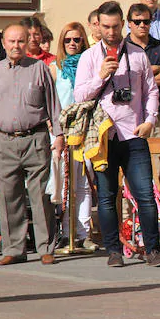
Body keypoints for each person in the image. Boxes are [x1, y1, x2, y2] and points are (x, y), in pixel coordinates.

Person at [74, 1, 160, 268]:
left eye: (116, 26)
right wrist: (100, 76)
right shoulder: (89, 57)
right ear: (97, 26)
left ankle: (153, 250)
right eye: (106, 26)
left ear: (123, 25)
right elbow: (80, 96)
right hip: (103, 137)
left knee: (146, 195)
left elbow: (151, 91)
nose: (111, 32)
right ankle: (113, 251)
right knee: (106, 196)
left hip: (134, 134)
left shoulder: (138, 55)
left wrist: (150, 119)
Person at [0, 24, 65, 267]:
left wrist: (58, 135)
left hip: (35, 139)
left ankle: (46, 248)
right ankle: (14, 249)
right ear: (3, 43)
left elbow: (53, 104)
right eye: (11, 41)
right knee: (8, 197)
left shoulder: (39, 69)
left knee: (40, 196)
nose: (16, 46)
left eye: (20, 41)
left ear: (27, 43)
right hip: (4, 141)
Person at [49, 22, 95, 250]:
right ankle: (67, 232)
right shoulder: (54, 67)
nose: (73, 44)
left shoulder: (90, 65)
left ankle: (84, 233)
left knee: (84, 182)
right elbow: (51, 100)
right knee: (65, 182)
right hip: (63, 129)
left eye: (77, 39)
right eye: (68, 40)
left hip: (86, 127)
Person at [126, 3, 160, 140]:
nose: (142, 25)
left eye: (146, 21)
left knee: (158, 158)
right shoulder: (122, 48)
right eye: (137, 21)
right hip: (128, 112)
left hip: (158, 113)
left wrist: (138, 79)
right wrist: (155, 69)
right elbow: (122, 79)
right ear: (129, 23)